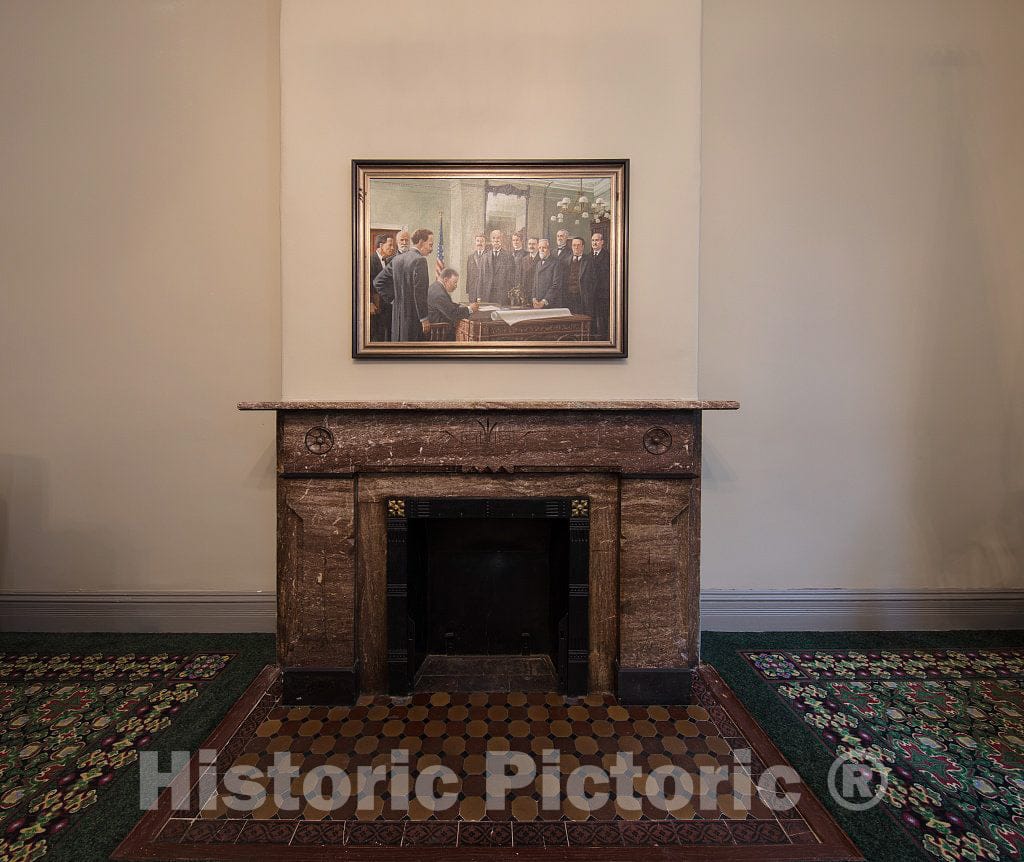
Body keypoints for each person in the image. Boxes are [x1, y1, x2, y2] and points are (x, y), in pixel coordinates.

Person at [390, 228, 433, 341]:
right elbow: (420, 293)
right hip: (414, 319)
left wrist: (394, 299)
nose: (431, 249)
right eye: (430, 244)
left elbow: (379, 281)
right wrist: (424, 318)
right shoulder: (420, 260)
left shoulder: (396, 259)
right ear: (421, 242)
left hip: (397, 319)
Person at [427, 268, 479, 339]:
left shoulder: (435, 286)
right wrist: (470, 309)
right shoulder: (439, 294)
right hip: (440, 331)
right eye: (455, 282)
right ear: (446, 280)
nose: (456, 286)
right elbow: (453, 314)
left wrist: (459, 305)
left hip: (439, 327)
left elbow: (446, 304)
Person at [582, 230, 611, 339]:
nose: (594, 243)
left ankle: (604, 339)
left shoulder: (608, 256)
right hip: (591, 294)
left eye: (597, 240)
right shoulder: (588, 256)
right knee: (591, 317)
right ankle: (592, 338)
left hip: (602, 294)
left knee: (603, 318)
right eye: (593, 240)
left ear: (602, 242)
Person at [369, 234, 395, 342]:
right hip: (375, 305)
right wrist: (369, 302)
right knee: (376, 334)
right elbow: (366, 283)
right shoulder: (370, 260)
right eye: (390, 245)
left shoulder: (389, 261)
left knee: (387, 333)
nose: (393, 248)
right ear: (381, 245)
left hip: (386, 306)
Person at [480, 229, 515, 304]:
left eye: (498, 238)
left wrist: (508, 295)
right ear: (490, 240)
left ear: (502, 240)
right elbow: (481, 278)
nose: (496, 240)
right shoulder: (485, 257)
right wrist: (479, 295)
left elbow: (511, 279)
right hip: (487, 295)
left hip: (503, 296)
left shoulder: (508, 256)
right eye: (493, 238)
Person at [532, 239, 563, 309]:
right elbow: (535, 284)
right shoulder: (538, 264)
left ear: (549, 249)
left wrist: (544, 301)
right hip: (537, 303)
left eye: (544, 248)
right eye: (540, 248)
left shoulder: (556, 263)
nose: (541, 250)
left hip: (550, 303)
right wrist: (534, 299)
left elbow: (556, 285)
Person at [563, 236, 589, 315]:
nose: (576, 247)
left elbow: (593, 281)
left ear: (583, 247)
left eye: (578, 245)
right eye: (574, 245)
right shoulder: (566, 260)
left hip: (582, 298)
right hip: (568, 296)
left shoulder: (589, 260)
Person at [465, 233, 487, 300]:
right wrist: (468, 289)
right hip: (473, 289)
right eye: (478, 241)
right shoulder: (471, 257)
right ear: (475, 242)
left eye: (482, 241)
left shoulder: (489, 256)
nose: (479, 243)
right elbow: (468, 274)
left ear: (485, 243)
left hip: (484, 289)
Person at [519, 237, 539, 305]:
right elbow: (521, 277)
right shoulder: (524, 259)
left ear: (538, 245)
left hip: (537, 294)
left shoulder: (541, 258)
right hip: (525, 294)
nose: (531, 246)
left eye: (533, 244)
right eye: (529, 244)